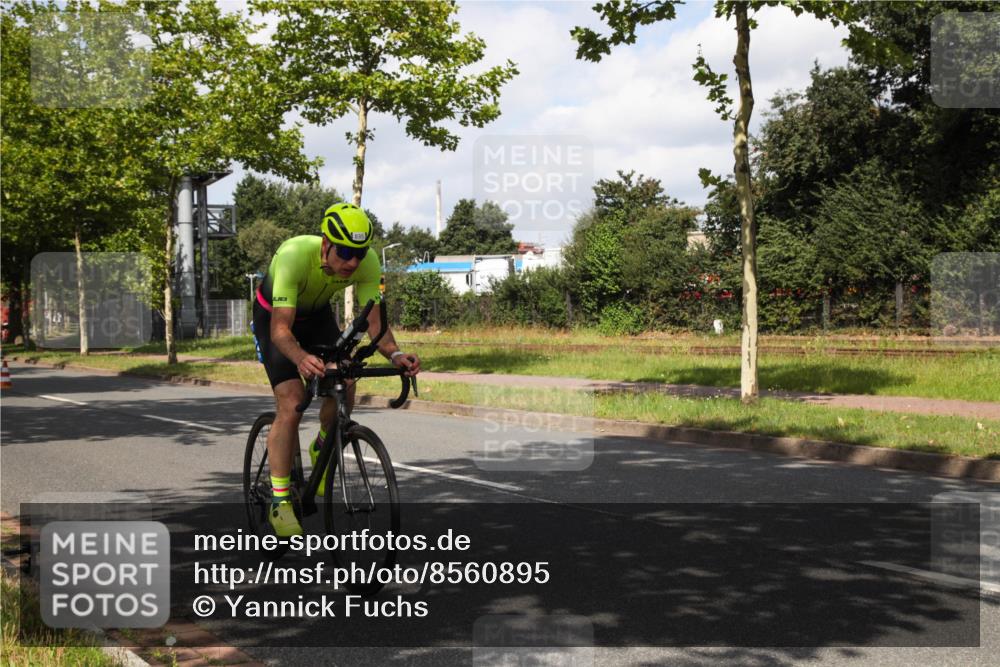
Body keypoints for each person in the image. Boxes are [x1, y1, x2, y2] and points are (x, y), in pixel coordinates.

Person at [251, 202, 421, 537]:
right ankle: (280, 501)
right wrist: (301, 358)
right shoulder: (293, 255)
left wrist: (395, 354)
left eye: (359, 253)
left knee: (347, 373)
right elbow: (281, 332)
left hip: (316, 318)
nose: (353, 262)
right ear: (326, 244)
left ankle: (324, 443)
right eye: (344, 252)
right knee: (292, 400)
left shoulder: (366, 263)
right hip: (275, 318)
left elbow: (376, 323)